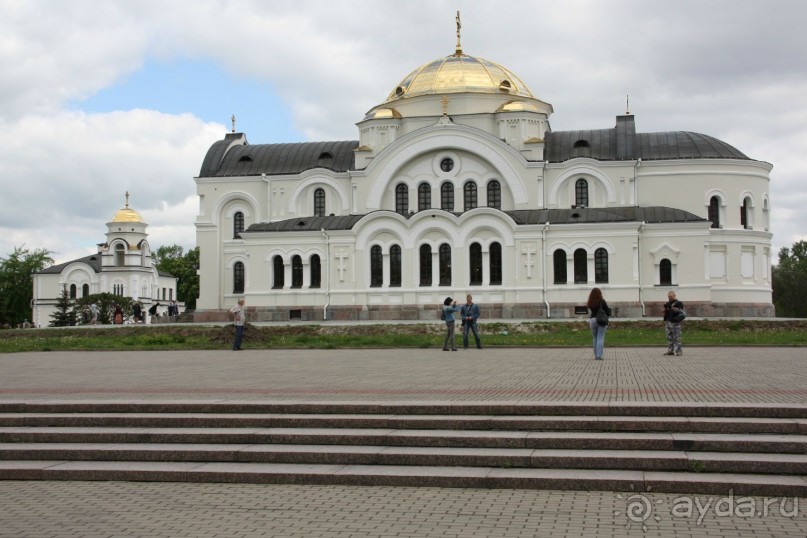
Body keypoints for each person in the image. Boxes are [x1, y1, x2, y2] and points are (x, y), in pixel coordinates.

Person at [587, 287, 611, 360]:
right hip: (601, 320)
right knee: (600, 337)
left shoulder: (590, 302)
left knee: (595, 338)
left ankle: (596, 354)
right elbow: (608, 312)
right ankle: (599, 356)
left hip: (592, 320)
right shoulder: (602, 301)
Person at [663, 291, 685, 356]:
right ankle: (671, 351)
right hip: (668, 322)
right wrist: (665, 309)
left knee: (676, 337)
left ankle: (678, 351)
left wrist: (671, 307)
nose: (670, 298)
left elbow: (679, 311)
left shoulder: (679, 303)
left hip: (675, 323)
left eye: (671, 296)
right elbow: (666, 312)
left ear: (674, 296)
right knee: (669, 337)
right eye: (669, 296)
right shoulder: (668, 303)